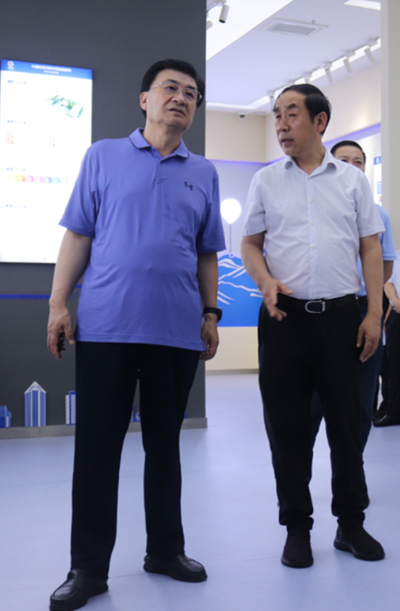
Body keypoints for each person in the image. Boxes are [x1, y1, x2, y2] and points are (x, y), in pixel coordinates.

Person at [47, 59, 225, 611]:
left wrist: (211, 313)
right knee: (97, 451)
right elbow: (78, 236)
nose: (181, 98)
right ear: (145, 98)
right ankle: (88, 568)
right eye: (170, 88)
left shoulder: (204, 172)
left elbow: (207, 252)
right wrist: (58, 304)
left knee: (165, 448)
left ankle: (166, 551)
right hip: (107, 328)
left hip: (176, 331)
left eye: (191, 93)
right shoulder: (103, 156)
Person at [241, 84, 385, 570]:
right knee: (287, 430)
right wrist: (264, 281)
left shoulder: (352, 182)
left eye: (292, 115)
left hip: (342, 319)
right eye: (277, 115)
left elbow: (370, 247)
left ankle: (351, 524)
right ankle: (297, 528)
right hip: (283, 319)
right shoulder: (266, 181)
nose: (281, 125)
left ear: (320, 122)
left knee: (347, 426)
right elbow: (250, 244)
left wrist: (372, 313)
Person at [309, 140, 396, 451]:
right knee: (312, 403)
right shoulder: (313, 209)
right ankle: (299, 475)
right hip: (320, 312)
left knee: (360, 400)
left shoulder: (379, 214)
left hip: (362, 309)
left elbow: (386, 266)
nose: (352, 166)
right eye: (343, 160)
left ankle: (351, 470)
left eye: (358, 161)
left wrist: (372, 303)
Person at [374, 251, 400, 426]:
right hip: (397, 313)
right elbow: (388, 283)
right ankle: (394, 411)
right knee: (394, 366)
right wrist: (396, 302)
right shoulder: (397, 257)